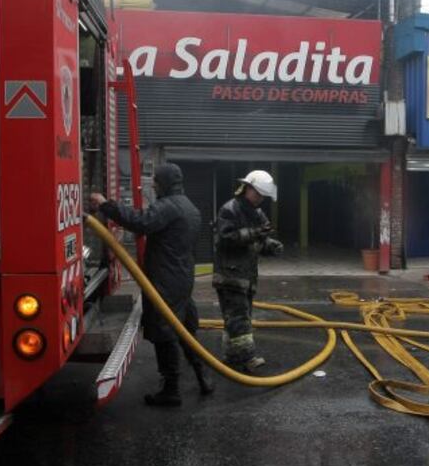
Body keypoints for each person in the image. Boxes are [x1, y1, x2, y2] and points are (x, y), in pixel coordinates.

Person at [89, 162, 213, 407]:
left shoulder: (168, 207)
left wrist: (106, 205)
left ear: (165, 183)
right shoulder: (189, 206)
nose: (153, 185)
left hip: (165, 280)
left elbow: (141, 221)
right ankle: (203, 375)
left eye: (156, 181)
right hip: (181, 277)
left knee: (165, 332)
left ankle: (171, 390)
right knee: (185, 330)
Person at [213, 169, 283, 372]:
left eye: (263, 195)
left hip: (247, 277)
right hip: (229, 276)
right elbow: (226, 239)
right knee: (239, 318)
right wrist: (254, 233)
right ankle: (247, 357)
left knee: (237, 319)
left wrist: (270, 245)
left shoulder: (257, 213)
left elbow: (257, 243)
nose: (260, 199)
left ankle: (232, 356)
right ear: (247, 188)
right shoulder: (230, 210)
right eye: (258, 193)